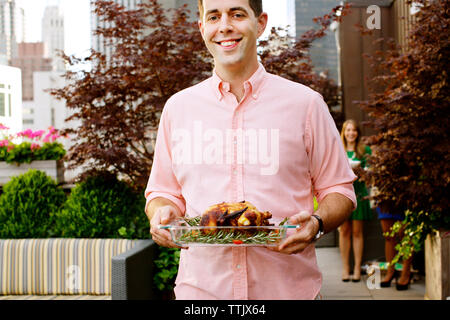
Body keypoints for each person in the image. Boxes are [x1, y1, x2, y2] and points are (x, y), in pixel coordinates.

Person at [145, 0, 357, 300]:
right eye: (214, 16)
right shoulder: (177, 109)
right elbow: (161, 193)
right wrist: (161, 213)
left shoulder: (307, 105)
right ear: (202, 27)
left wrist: (318, 223)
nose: (225, 25)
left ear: (260, 23)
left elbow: (340, 190)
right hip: (202, 296)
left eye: (237, 14)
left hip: (289, 292)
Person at [338, 119, 372, 282]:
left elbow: (369, 173)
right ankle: (345, 268)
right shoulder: (338, 149)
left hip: (359, 193)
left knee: (358, 233)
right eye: (348, 130)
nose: (351, 133)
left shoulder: (364, 150)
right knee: (344, 232)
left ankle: (357, 268)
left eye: (354, 130)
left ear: (358, 133)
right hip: (343, 195)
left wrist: (361, 171)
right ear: (343, 133)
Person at [377, 206, 413, 290]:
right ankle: (390, 271)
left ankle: (406, 272)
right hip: (386, 196)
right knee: (388, 234)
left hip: (405, 197)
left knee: (404, 234)